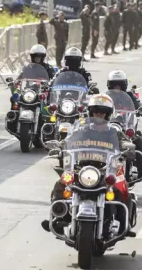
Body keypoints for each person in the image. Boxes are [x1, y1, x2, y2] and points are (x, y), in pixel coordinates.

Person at [40, 94, 136, 236]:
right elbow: (67, 141)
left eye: (102, 112)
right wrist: (59, 147)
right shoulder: (82, 130)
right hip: (82, 168)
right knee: (61, 184)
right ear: (91, 113)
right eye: (96, 112)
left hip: (105, 169)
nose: (98, 115)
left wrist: (128, 148)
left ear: (108, 114)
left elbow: (125, 143)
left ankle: (123, 224)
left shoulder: (114, 132)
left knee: (122, 189)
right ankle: (58, 218)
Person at [107, 70, 142, 179]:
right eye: (114, 84)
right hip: (109, 126)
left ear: (124, 85)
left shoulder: (130, 96)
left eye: (119, 84)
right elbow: (96, 103)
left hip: (126, 126)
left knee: (138, 140)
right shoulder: (105, 97)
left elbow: (137, 103)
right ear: (110, 84)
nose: (117, 87)